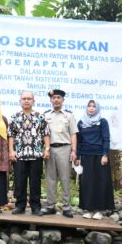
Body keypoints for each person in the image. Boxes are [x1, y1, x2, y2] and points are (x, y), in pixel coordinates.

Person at [8, 90, 50, 216]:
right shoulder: (14, 117)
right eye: (24, 98)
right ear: (20, 101)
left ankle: (35, 207)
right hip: (19, 155)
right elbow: (11, 135)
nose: (26, 101)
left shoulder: (40, 116)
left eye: (29, 98)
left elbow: (46, 133)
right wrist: (11, 151)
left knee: (35, 182)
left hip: (36, 154)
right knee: (19, 182)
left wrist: (47, 148)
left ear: (33, 101)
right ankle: (20, 206)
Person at [42, 89, 78, 218]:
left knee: (65, 178)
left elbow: (73, 134)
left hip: (65, 148)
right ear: (50, 100)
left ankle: (66, 207)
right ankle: (50, 205)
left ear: (63, 100)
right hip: (49, 149)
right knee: (50, 179)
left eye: (58, 97)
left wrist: (74, 151)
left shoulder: (69, 115)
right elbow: (43, 134)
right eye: (54, 98)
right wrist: (45, 149)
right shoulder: (45, 115)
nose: (56, 100)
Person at [76, 100, 114, 219]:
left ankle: (99, 210)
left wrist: (105, 154)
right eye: (89, 106)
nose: (91, 108)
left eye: (94, 106)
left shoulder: (103, 122)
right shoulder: (81, 123)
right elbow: (79, 141)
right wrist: (77, 156)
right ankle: (88, 209)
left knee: (100, 183)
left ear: (97, 108)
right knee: (87, 183)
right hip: (86, 157)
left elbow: (106, 138)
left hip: (99, 157)